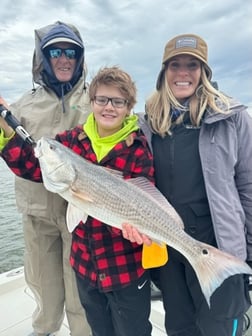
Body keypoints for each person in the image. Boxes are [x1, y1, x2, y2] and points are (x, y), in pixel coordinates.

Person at [0, 66, 155, 336]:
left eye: (118, 101)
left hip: (124, 269)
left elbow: (145, 196)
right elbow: (31, 167)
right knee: (99, 330)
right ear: (92, 101)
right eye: (102, 100)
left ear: (129, 107)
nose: (109, 107)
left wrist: (134, 228)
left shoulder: (138, 149)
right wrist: (5, 129)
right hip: (86, 267)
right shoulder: (71, 142)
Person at [122, 33, 252, 336]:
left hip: (220, 243)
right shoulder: (149, 123)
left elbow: (247, 184)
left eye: (192, 65)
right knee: (179, 326)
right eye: (175, 65)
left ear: (204, 73)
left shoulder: (233, 118)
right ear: (163, 73)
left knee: (219, 325)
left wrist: (249, 246)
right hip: (169, 243)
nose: (183, 73)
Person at [0, 21, 91, 336]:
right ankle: (43, 330)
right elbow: (10, 148)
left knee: (80, 294)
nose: (64, 59)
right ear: (43, 57)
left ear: (80, 58)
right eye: (56, 52)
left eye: (71, 52)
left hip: (80, 217)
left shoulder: (97, 101)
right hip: (37, 215)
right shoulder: (22, 105)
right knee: (42, 286)